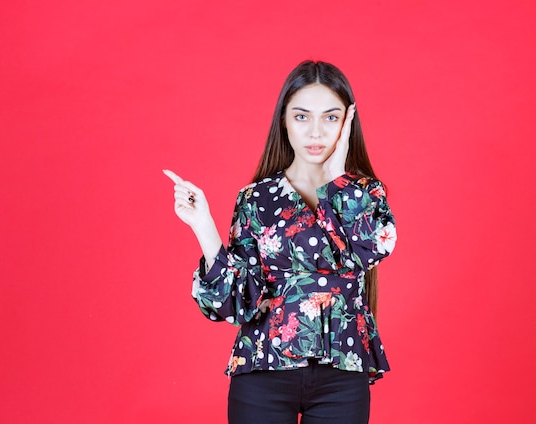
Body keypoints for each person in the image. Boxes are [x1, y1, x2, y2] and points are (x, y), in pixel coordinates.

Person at [164, 60, 396, 424]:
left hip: (342, 376)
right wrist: (203, 227)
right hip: (262, 374)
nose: (316, 132)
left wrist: (336, 177)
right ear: (284, 122)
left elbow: (369, 250)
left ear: (347, 124)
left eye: (331, 118)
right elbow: (234, 306)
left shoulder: (365, 193)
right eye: (302, 117)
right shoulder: (257, 198)